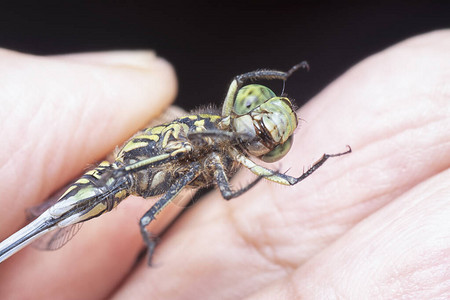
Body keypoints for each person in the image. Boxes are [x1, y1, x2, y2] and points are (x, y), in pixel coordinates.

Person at [0, 30, 448, 299]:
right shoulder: (222, 141)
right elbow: (240, 89)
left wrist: (303, 168)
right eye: (260, 116)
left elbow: (234, 184)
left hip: (134, 173)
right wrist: (284, 83)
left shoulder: (220, 148)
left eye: (268, 142)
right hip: (122, 174)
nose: (257, 133)